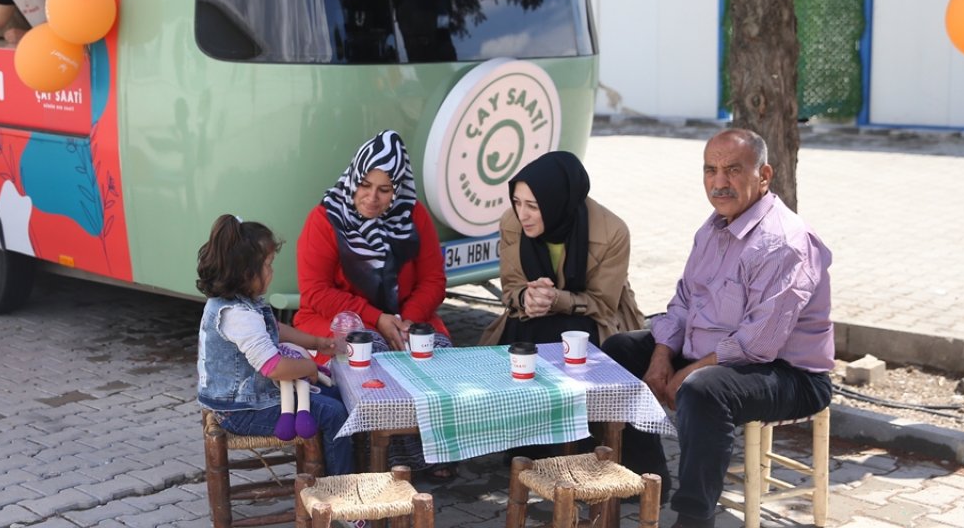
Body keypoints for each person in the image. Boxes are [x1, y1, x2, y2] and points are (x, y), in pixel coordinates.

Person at [601, 129, 834, 528]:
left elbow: (758, 342)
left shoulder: (784, 242)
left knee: (703, 389)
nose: (719, 182)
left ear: (764, 176)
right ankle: (646, 477)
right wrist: (661, 357)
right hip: (718, 354)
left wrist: (689, 370)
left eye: (733, 170)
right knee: (620, 350)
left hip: (789, 373)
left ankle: (694, 518)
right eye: (711, 170)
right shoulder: (713, 228)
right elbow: (682, 304)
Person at [293, 130, 453, 479]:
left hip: (405, 317)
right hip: (334, 321)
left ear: (399, 189)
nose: (372, 198)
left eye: (385, 189)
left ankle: (423, 453)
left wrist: (406, 321)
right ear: (353, 178)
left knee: (435, 349)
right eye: (365, 185)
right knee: (370, 352)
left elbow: (433, 281)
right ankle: (379, 456)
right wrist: (376, 318)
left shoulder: (414, 217)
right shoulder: (325, 219)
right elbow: (315, 292)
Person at [195, 214, 352, 476]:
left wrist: (316, 342)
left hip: (252, 399)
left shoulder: (242, 302)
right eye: (268, 265)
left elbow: (275, 330)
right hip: (242, 411)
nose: (272, 271)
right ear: (246, 273)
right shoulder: (237, 315)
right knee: (334, 412)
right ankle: (342, 490)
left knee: (336, 395)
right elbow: (273, 367)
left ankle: (328, 471)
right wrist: (308, 367)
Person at [480, 151, 645, 348]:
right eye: (516, 202)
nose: (522, 215)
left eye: (532, 206)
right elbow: (511, 288)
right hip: (530, 318)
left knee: (572, 334)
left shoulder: (612, 232)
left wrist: (556, 299)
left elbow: (602, 306)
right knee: (522, 332)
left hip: (590, 320)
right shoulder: (511, 221)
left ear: (556, 203)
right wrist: (527, 298)